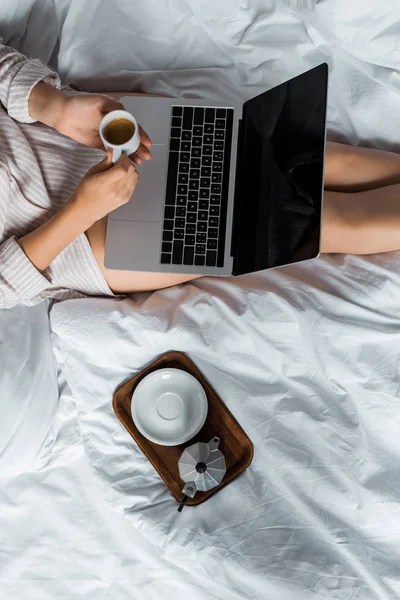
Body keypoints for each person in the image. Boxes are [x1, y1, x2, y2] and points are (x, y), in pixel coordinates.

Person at [1, 42, 400, 309]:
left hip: (78, 133)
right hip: (71, 240)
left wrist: (53, 106)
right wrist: (81, 210)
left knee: (312, 160)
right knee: (316, 220)